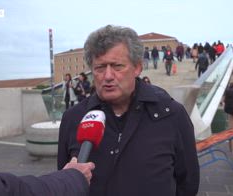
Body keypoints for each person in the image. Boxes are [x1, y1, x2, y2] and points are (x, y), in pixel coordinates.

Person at [57, 25, 199, 196]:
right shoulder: (73, 118)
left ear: (137, 67)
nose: (108, 76)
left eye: (117, 66)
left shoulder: (171, 114)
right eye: (100, 68)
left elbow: (187, 183)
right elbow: (65, 181)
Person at [0, 148, 95, 196]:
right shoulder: (72, 116)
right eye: (99, 71)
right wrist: (71, 179)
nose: (108, 76)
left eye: (118, 71)